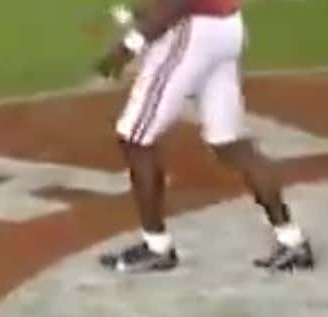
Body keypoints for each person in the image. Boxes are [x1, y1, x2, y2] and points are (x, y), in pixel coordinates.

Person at [92, 0, 312, 275]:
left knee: (135, 138)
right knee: (230, 142)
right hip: (226, 25)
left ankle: (156, 247)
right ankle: (292, 240)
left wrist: (128, 46)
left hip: (193, 31)